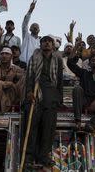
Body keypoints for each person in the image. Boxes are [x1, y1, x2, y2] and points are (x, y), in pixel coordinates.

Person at [23, 35, 63, 168]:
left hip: (51, 93)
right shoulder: (34, 57)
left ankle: (44, 155)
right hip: (36, 90)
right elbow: (29, 76)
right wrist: (28, 92)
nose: (46, 43)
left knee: (48, 127)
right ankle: (29, 156)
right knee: (32, 125)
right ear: (40, 44)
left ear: (53, 45)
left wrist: (59, 98)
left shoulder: (57, 59)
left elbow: (59, 80)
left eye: (49, 42)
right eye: (44, 41)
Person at [20, 0, 41, 64]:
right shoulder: (27, 36)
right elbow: (24, 23)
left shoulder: (41, 41)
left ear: (39, 30)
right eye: (33, 26)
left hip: (37, 65)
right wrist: (30, 11)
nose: (35, 27)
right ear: (30, 29)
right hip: (24, 64)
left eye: (37, 26)